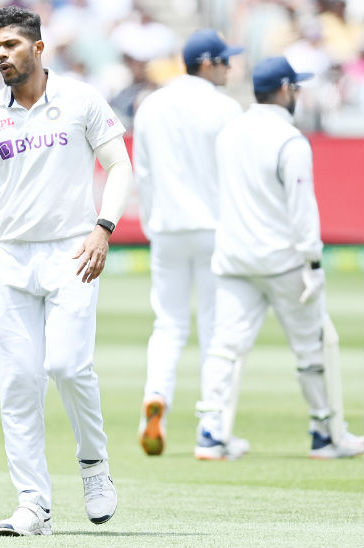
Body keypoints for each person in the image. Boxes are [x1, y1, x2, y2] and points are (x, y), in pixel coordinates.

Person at [0, 6, 133, 536]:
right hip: (12, 257)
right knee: (18, 383)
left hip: (72, 252)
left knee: (68, 366)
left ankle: (94, 466)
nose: (2, 55)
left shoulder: (81, 100)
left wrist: (103, 227)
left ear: (38, 47)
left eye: (10, 45)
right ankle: (33, 504)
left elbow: (120, 165)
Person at [194, 56, 364, 460]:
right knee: (311, 348)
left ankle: (211, 432)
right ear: (286, 90)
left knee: (224, 347)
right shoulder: (290, 140)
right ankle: (325, 433)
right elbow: (302, 209)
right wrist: (314, 262)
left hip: (235, 259)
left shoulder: (229, 132)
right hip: (283, 261)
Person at [132, 29, 247, 457]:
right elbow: (238, 175)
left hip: (166, 227)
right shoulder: (227, 108)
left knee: (169, 325)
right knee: (217, 330)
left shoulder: (153, 105)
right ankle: (211, 428)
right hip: (216, 228)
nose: (230, 68)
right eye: (225, 61)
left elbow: (142, 173)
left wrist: (151, 223)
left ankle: (154, 400)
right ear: (207, 63)